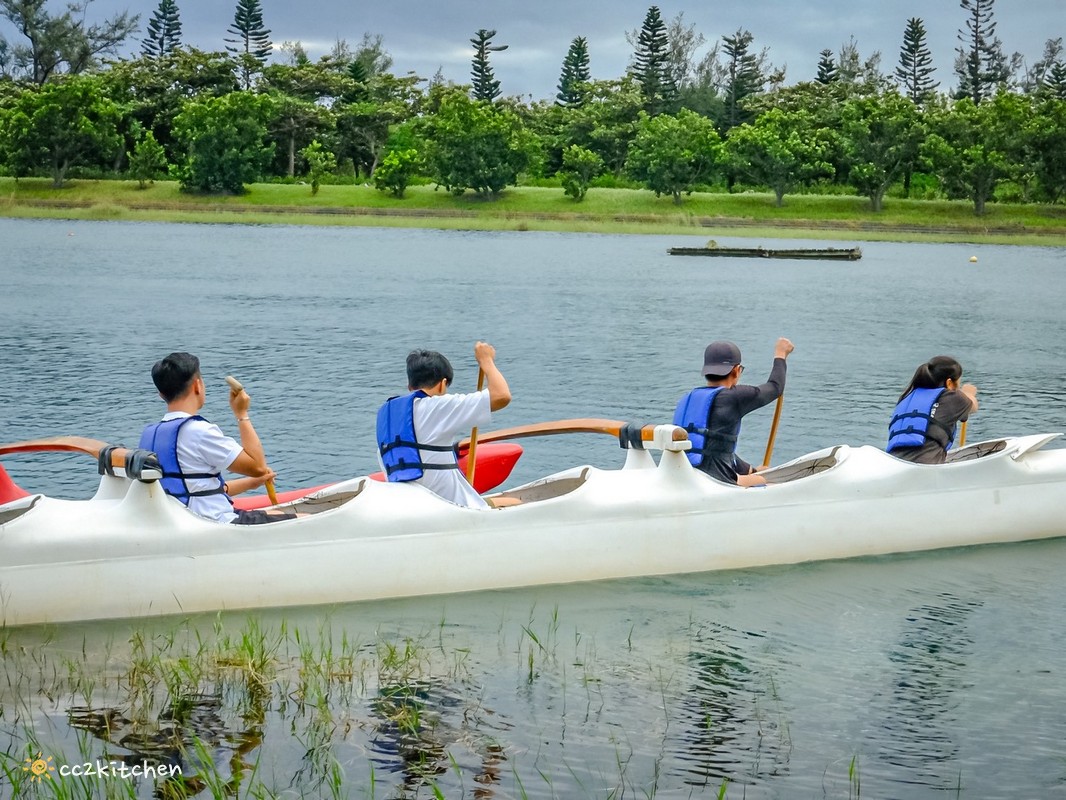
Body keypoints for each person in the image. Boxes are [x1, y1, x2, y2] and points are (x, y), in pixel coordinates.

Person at [139, 352, 294, 524]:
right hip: (217, 523)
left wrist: (253, 482)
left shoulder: (150, 434)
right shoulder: (198, 431)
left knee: (276, 513)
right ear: (198, 385)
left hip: (183, 520)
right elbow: (258, 466)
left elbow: (195, 487)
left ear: (160, 394)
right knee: (306, 519)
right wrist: (241, 414)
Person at [376, 342, 511, 509]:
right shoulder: (438, 406)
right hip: (452, 509)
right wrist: (486, 360)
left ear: (410, 386)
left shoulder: (387, 417)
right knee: (515, 502)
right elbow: (501, 396)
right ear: (442, 384)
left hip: (411, 507)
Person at [673, 338, 794, 487]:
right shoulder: (733, 397)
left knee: (755, 475)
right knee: (763, 481)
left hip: (688, 474)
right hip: (717, 480)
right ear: (736, 370)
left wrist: (751, 470)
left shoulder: (688, 398)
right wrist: (780, 354)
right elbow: (775, 388)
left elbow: (715, 447)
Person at [887, 356, 978, 464]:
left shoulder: (907, 397)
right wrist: (968, 393)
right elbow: (973, 407)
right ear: (949, 383)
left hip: (894, 462)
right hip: (925, 466)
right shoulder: (952, 397)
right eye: (958, 383)